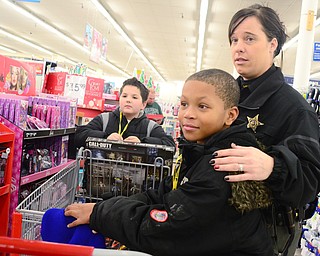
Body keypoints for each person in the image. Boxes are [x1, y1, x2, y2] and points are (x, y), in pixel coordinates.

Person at [65, 69, 274, 256]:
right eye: (184, 104)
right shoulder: (200, 151)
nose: (188, 115)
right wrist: (105, 207)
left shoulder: (224, 165)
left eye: (202, 106)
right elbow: (163, 194)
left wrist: (101, 215)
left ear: (230, 115)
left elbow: (167, 227)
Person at [210, 4, 320, 255]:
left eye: (249, 38)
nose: (238, 47)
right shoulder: (225, 96)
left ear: (272, 44)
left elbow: (311, 181)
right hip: (214, 228)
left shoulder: (295, 109)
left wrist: (272, 167)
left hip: (262, 239)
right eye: (234, 39)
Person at [74, 77, 175, 149]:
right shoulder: (104, 119)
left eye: (134, 97)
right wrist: (105, 137)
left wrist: (143, 143)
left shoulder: (150, 127)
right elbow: (78, 136)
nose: (128, 100)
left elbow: (170, 145)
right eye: (124, 96)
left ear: (143, 104)